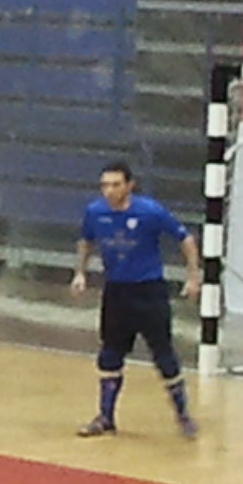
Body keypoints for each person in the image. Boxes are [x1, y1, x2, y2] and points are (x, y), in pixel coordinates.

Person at [71, 160, 202, 440]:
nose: (109, 191)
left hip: (148, 292)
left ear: (129, 186)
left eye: (115, 185)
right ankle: (105, 417)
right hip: (116, 292)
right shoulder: (95, 212)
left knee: (163, 355)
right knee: (110, 354)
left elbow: (185, 239)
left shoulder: (149, 211)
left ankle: (183, 416)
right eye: (105, 185)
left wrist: (193, 276)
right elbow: (86, 240)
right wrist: (80, 272)